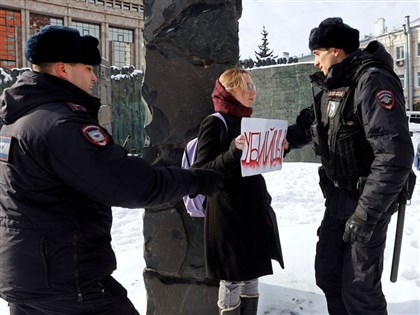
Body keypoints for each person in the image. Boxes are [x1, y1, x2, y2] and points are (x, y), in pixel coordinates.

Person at [0, 25, 223, 315]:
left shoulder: (17, 122)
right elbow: (127, 183)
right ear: (62, 68)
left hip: (27, 277)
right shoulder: (61, 124)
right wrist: (194, 180)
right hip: (68, 282)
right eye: (88, 68)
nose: (94, 77)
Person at [285, 18, 414, 315]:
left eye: (318, 54)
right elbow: (308, 126)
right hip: (338, 199)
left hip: (368, 201)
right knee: (328, 273)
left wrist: (366, 214)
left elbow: (394, 155)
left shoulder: (372, 81)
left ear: (336, 51)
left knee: (359, 288)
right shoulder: (333, 86)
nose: (315, 62)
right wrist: (282, 142)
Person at [192, 68, 284, 315]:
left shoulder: (249, 122)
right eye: (247, 86)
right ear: (230, 90)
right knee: (231, 277)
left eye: (253, 85)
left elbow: (254, 163)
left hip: (252, 208)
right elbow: (201, 171)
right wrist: (233, 151)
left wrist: (278, 148)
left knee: (253, 271)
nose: (253, 91)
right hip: (227, 213)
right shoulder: (214, 122)